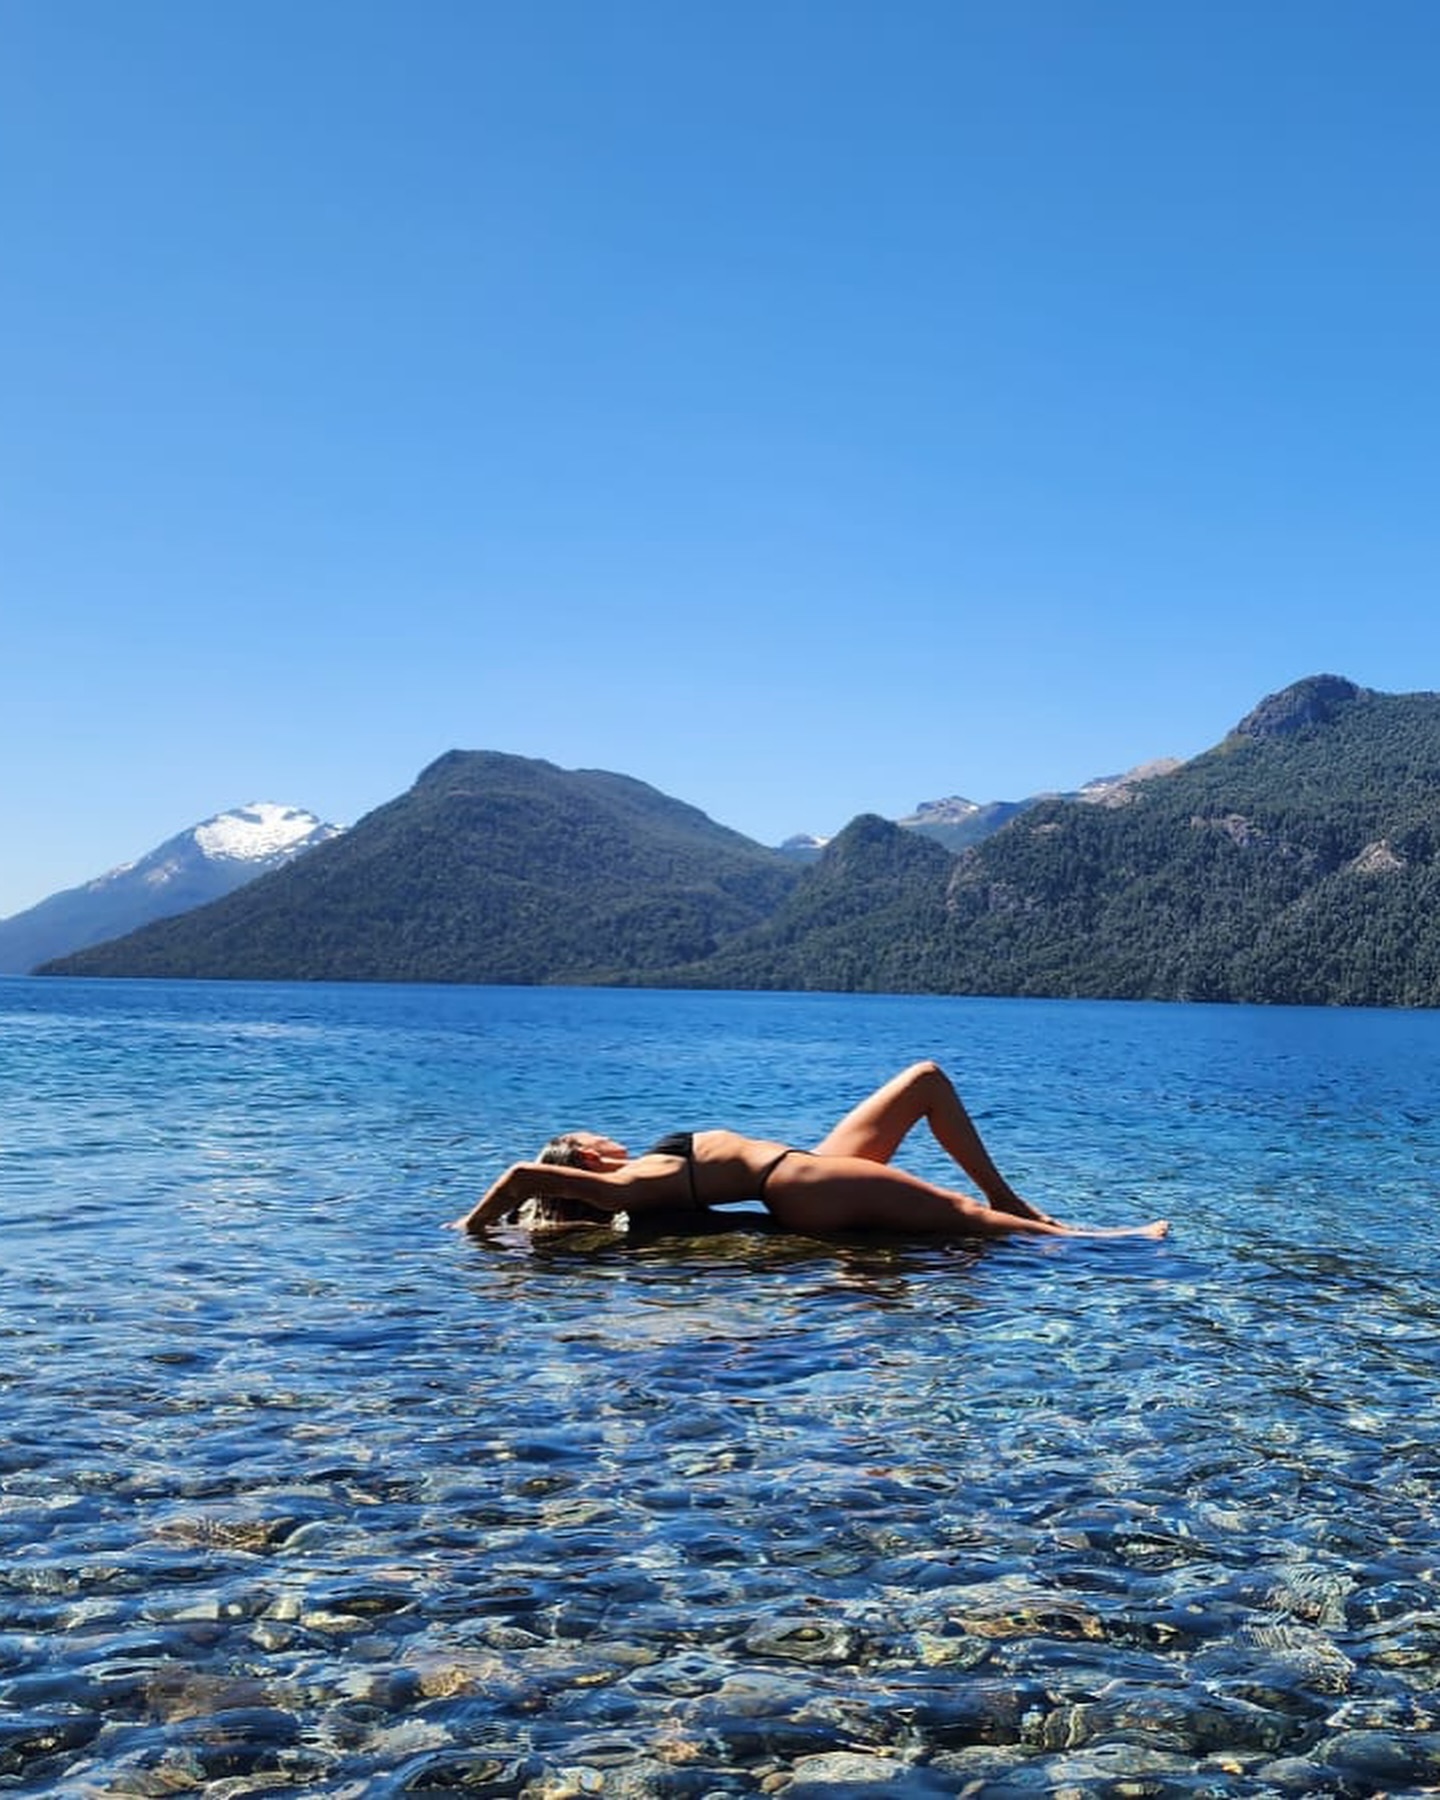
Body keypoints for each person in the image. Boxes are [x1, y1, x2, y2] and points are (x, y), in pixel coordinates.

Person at [449, 1060, 1168, 1242]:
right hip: (801, 1187)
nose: (601, 1133)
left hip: (807, 1166)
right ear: (581, 1157)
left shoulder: (636, 1173)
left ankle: (1008, 1195)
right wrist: (474, 1225)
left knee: (925, 1080)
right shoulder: (621, 1185)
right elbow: (518, 1176)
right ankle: (1104, 1243)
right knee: (965, 1220)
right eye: (587, 1136)